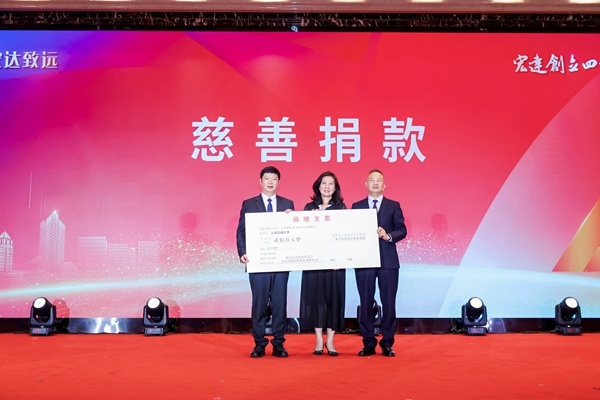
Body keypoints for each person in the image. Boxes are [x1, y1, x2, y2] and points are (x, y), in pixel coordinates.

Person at [236, 166, 295, 358]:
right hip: (258, 262)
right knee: (259, 303)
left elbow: (294, 232)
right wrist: (242, 252)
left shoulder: (287, 204)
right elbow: (241, 231)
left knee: (279, 303)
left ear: (279, 182)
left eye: (274, 179)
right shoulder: (249, 204)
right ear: (260, 181)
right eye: (267, 178)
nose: (270, 182)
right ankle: (259, 344)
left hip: (280, 263)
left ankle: (279, 344)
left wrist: (293, 219)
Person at [352, 169, 407, 357]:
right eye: (372, 180)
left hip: (388, 262)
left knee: (389, 303)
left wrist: (388, 235)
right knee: (366, 302)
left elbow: (402, 230)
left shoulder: (393, 205)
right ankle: (368, 343)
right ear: (366, 184)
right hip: (364, 261)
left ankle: (387, 343)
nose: (375, 183)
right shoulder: (357, 206)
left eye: (379, 180)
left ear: (384, 185)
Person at [299, 171, 346, 357]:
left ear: (335, 188)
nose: (327, 187)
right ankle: (319, 339)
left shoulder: (341, 208)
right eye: (324, 183)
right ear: (318, 186)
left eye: (331, 184)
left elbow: (344, 236)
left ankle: (331, 340)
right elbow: (302, 234)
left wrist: (340, 258)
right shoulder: (309, 207)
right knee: (316, 300)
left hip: (335, 264)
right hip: (314, 262)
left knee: (333, 300)